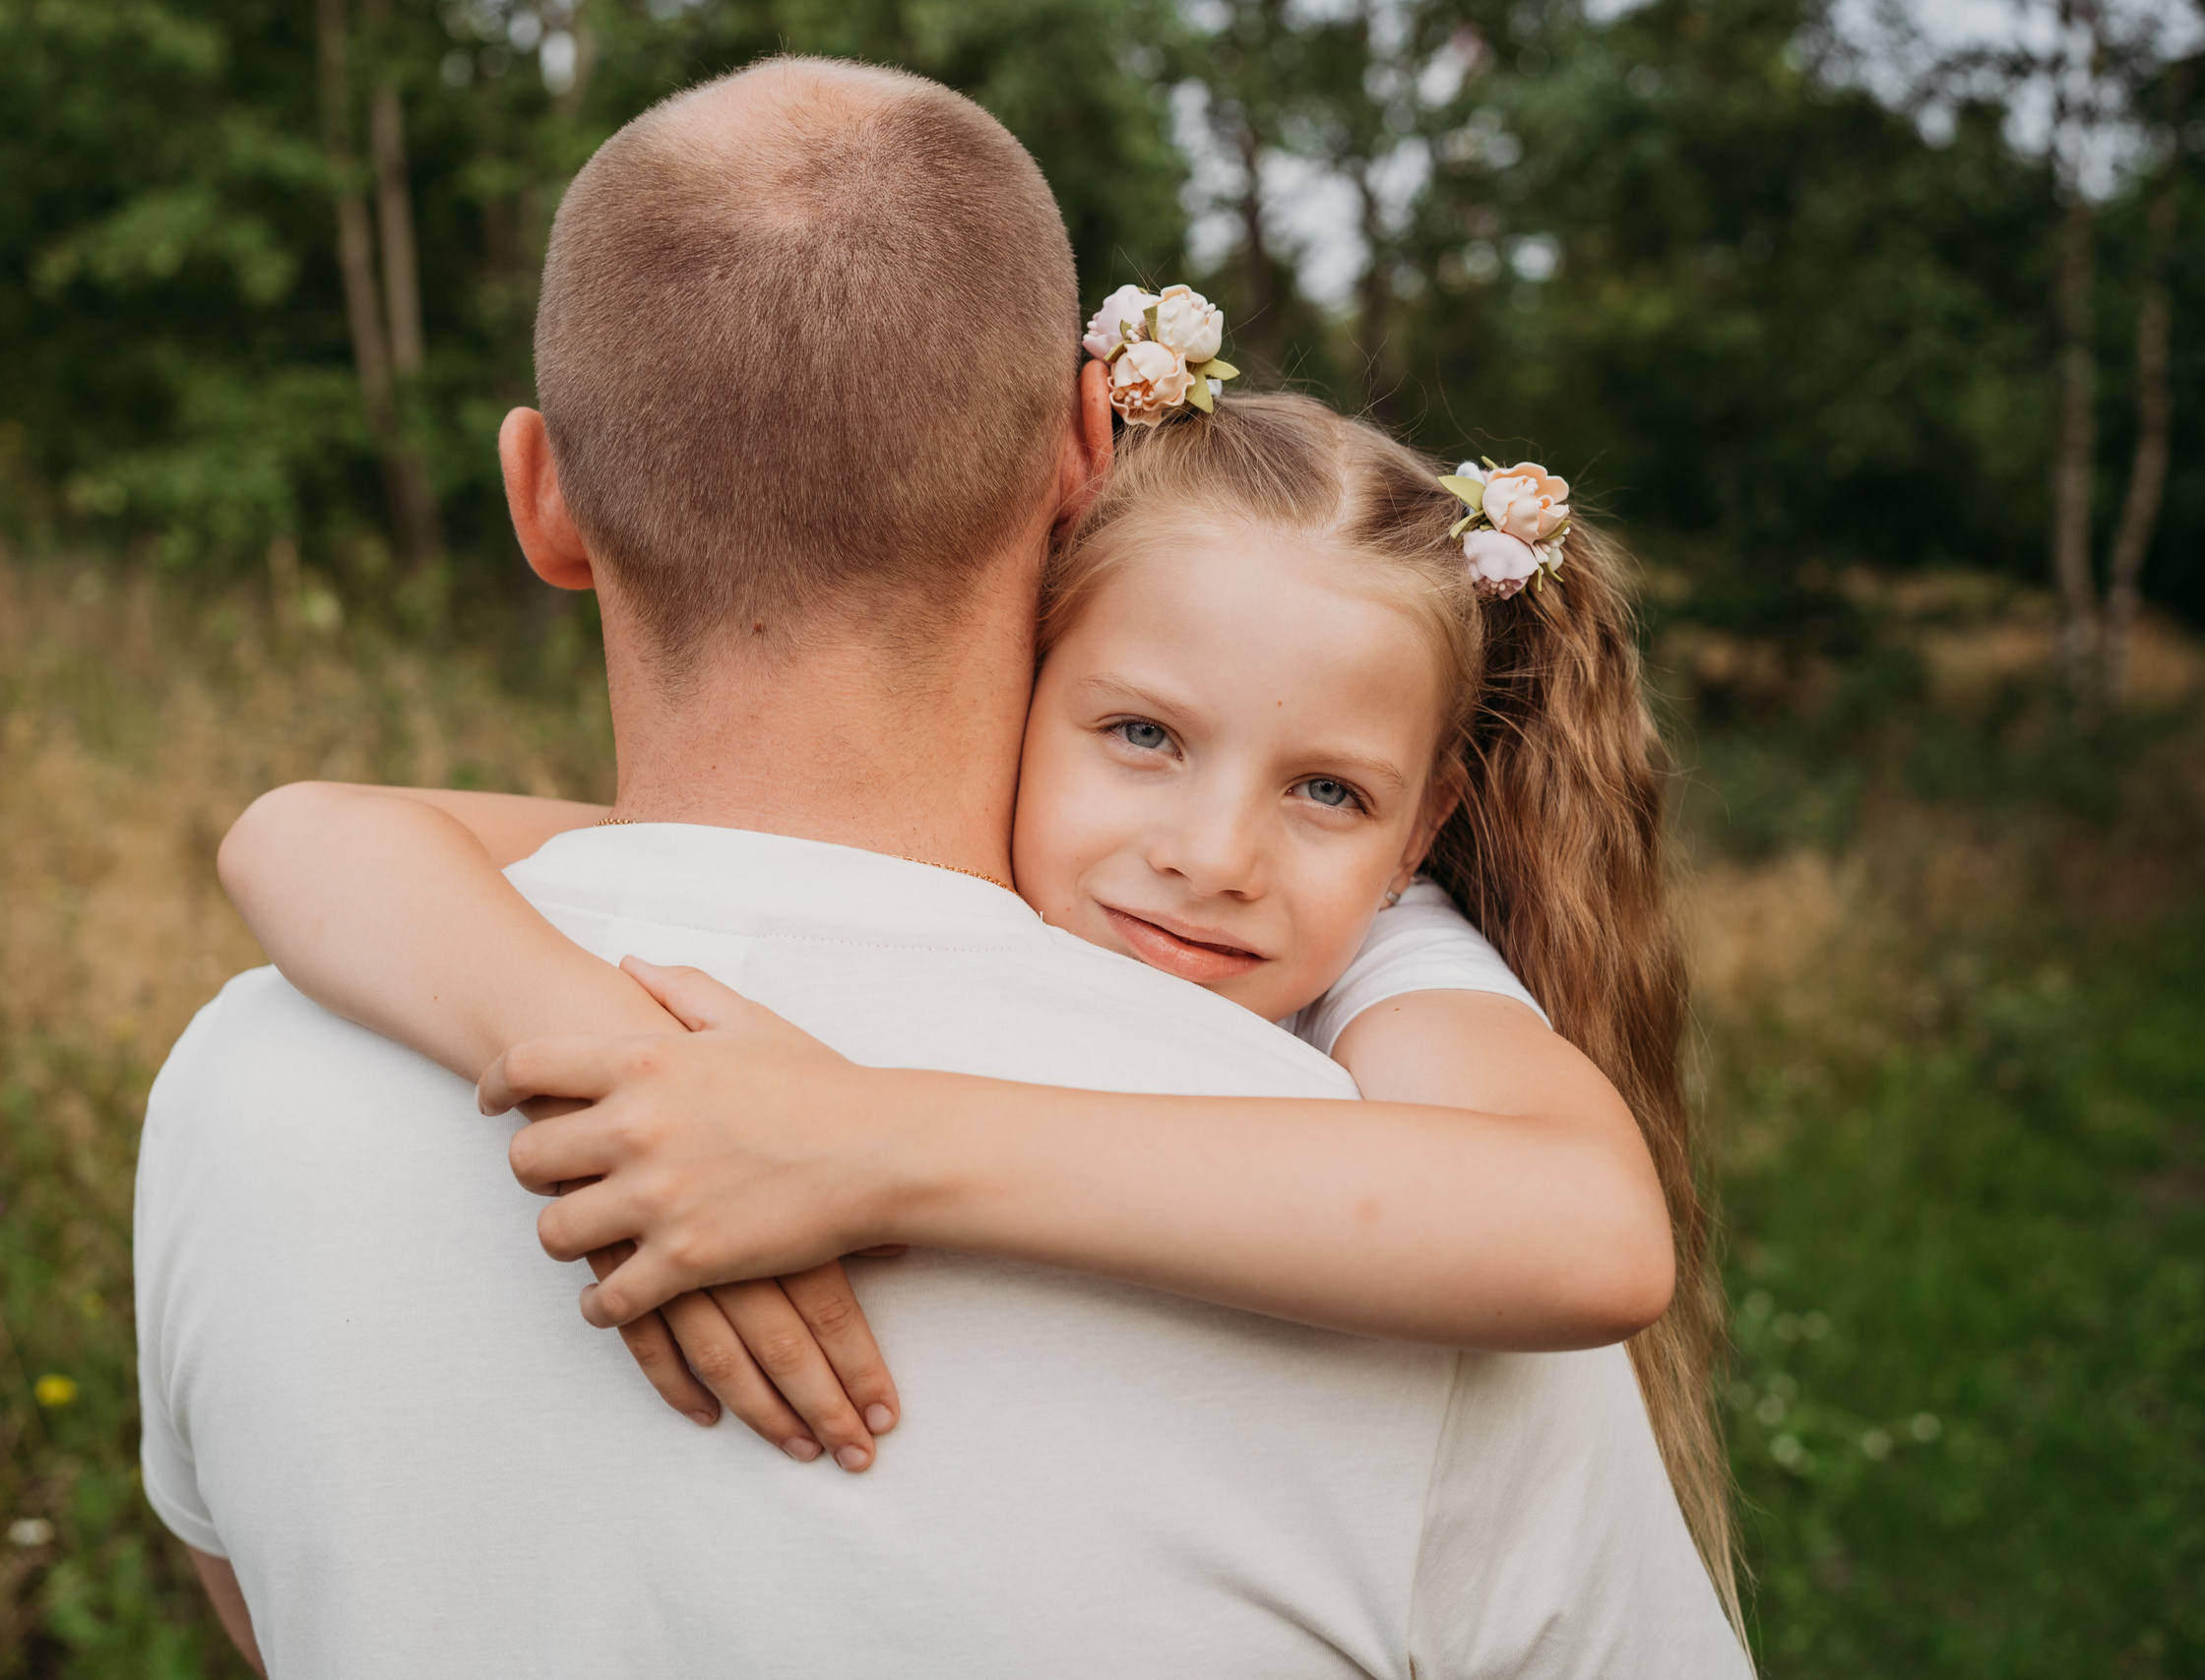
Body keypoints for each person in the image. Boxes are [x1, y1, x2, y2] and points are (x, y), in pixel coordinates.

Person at [136, 56, 1747, 1677]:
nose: (1211, 853)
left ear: (542, 500)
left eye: (1325, 788)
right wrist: (630, 1077)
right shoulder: (1409, 1285)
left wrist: (858, 1134)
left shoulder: (242, 1076)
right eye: (1148, 739)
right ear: (1077, 449)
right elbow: (297, 827)